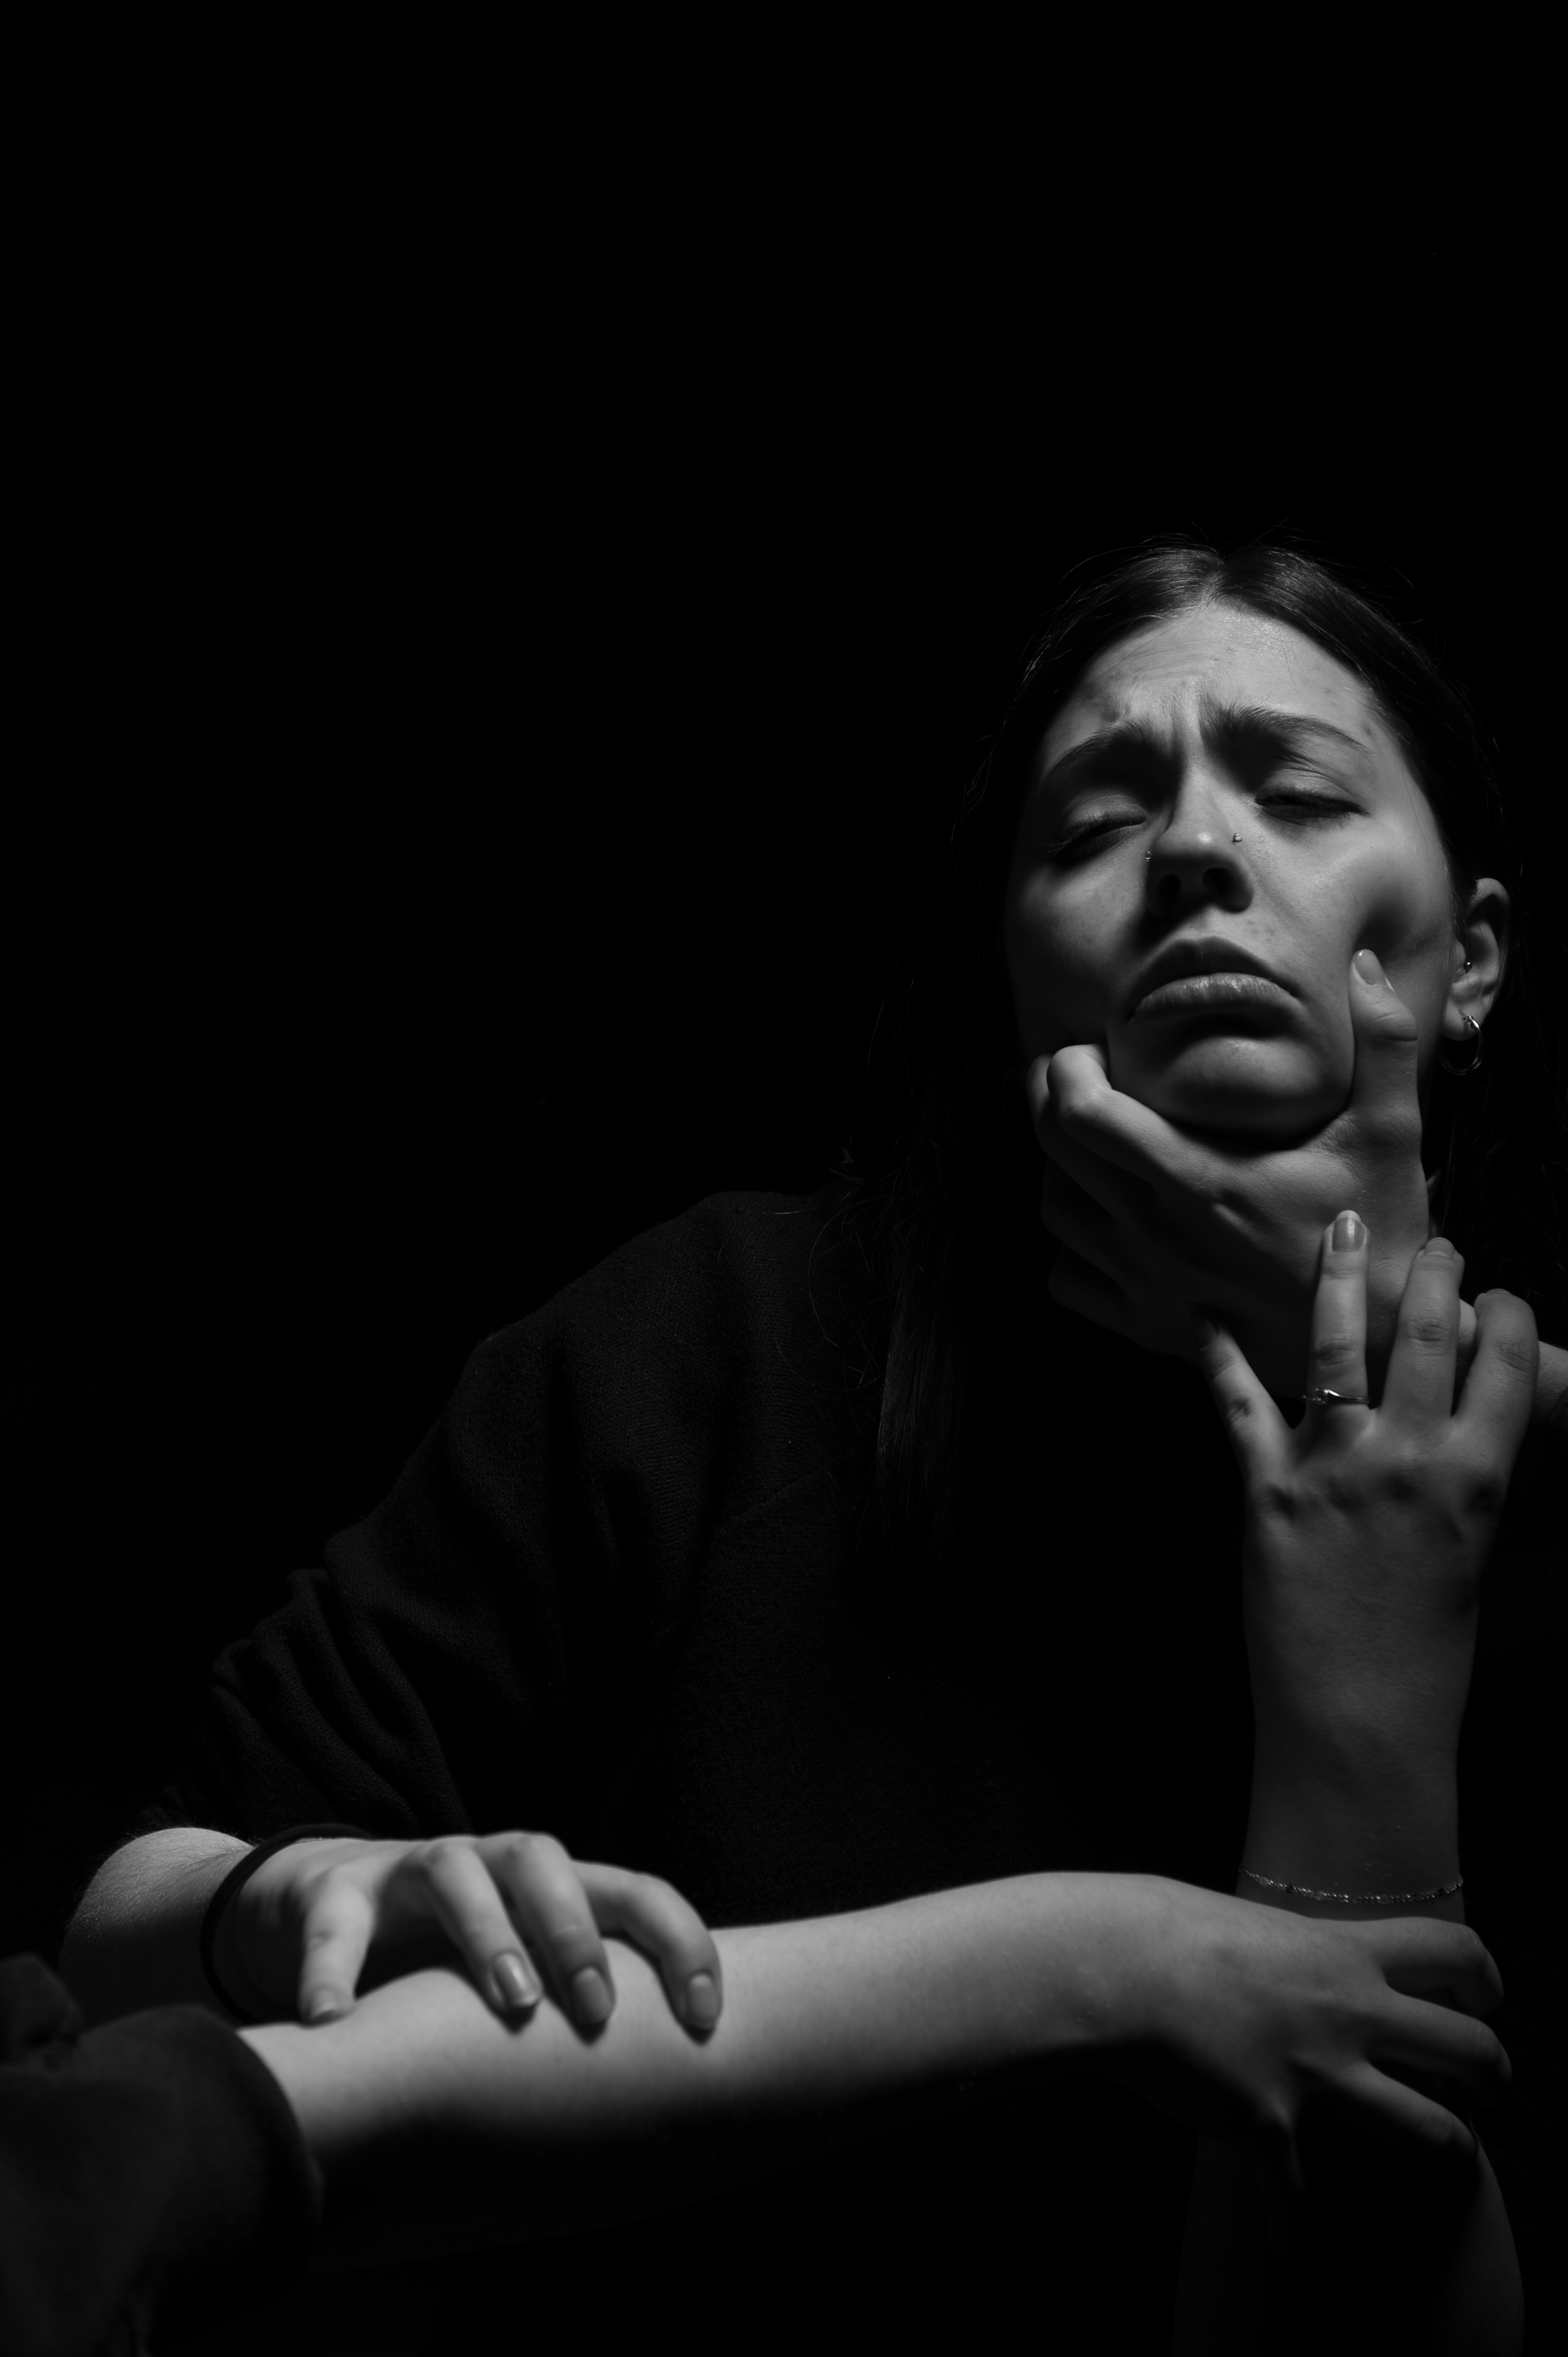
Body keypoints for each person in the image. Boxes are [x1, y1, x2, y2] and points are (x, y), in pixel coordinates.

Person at [58, 537, 1566, 2353]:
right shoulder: (723, 1345)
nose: (1188, 845)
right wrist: (277, 1890)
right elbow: (110, 1953)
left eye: (1298, 793)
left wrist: (1362, 1664)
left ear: (1471, 962)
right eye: (1093, 824)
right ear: (1008, 972)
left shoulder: (1537, 1525)